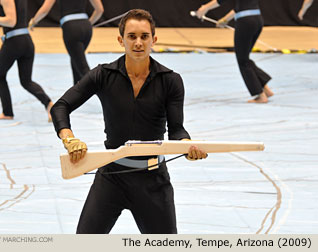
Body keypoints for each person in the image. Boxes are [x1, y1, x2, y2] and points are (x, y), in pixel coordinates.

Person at [50, 9, 208, 234]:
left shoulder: (171, 81)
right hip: (111, 177)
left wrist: (186, 146)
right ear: (120, 40)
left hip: (153, 181)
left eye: (144, 36)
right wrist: (69, 138)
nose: (138, 43)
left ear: (154, 40)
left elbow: (176, 129)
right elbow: (61, 106)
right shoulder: (102, 75)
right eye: (132, 36)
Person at [0, 0, 53, 121]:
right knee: (26, 81)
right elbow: (15, 19)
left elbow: (11, 21)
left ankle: (7, 112)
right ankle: (49, 104)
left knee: (0, 75)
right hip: (26, 41)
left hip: (14, 42)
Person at [196, 0, 274, 103]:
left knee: (242, 61)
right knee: (245, 58)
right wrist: (225, 19)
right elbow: (241, 5)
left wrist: (205, 8)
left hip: (246, 22)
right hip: (257, 20)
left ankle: (260, 95)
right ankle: (265, 89)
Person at [29, 0, 104, 84]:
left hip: (71, 28)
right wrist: (88, 24)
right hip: (86, 27)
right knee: (76, 63)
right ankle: (77, 94)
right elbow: (100, 10)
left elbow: (45, 10)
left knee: (83, 69)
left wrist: (33, 21)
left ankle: (105, 93)